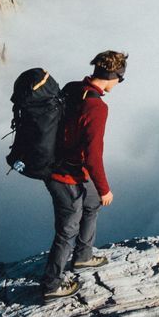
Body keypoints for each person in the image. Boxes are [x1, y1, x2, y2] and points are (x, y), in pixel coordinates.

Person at [41, 50, 128, 301]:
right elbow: (93, 155)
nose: (119, 84)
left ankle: (83, 257)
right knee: (67, 229)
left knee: (91, 203)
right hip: (64, 175)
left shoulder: (73, 88)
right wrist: (104, 188)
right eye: (120, 79)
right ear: (114, 77)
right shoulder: (97, 107)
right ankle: (51, 285)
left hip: (64, 166)